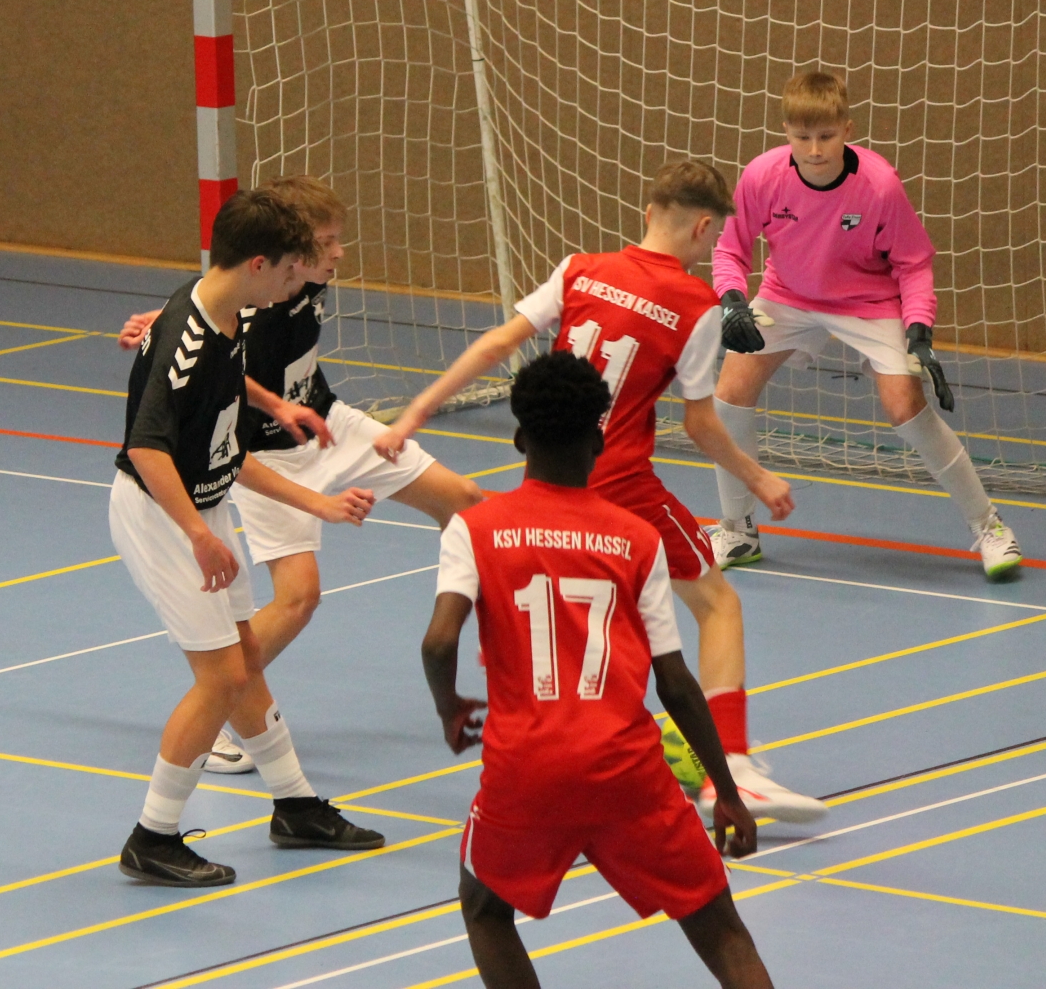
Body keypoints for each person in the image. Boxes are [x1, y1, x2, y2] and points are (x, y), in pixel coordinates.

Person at [380, 161, 822, 822]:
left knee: (588, 617)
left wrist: (416, 413)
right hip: (621, 484)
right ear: (704, 229)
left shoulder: (580, 269)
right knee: (717, 605)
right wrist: (758, 477)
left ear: (648, 212)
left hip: (547, 477)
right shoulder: (696, 306)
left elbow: (498, 343)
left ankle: (597, 746)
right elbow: (699, 423)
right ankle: (730, 768)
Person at [420, 352, 775, 989]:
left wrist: (451, 709)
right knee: (721, 929)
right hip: (626, 773)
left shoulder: (473, 530)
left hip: (525, 770)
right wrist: (725, 790)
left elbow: (439, 643)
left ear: (519, 438)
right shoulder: (637, 538)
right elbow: (675, 683)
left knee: (484, 908)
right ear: (600, 440)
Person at [117, 175, 487, 774]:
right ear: (287, 254)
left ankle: (504, 644)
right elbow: (207, 332)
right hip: (265, 453)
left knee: (467, 501)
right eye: (327, 241)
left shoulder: (305, 279)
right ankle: (221, 707)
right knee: (298, 599)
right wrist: (163, 323)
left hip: (323, 419)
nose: (339, 252)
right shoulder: (260, 297)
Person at [114, 187, 385, 887]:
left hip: (200, 503)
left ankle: (294, 805)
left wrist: (313, 495)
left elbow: (228, 441)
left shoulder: (227, 310)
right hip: (161, 512)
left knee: (247, 658)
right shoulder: (189, 340)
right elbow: (146, 448)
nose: (299, 283)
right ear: (260, 264)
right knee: (223, 677)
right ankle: (152, 836)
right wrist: (197, 536)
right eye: (293, 270)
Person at [708, 70, 1023, 580]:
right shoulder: (762, 176)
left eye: (826, 136)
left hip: (869, 302)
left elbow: (914, 264)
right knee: (728, 397)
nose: (814, 149)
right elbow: (730, 250)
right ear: (786, 132)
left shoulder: (878, 185)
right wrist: (732, 301)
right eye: (802, 137)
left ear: (847, 130)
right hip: (788, 295)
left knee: (905, 408)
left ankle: (989, 526)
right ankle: (738, 531)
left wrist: (919, 330)